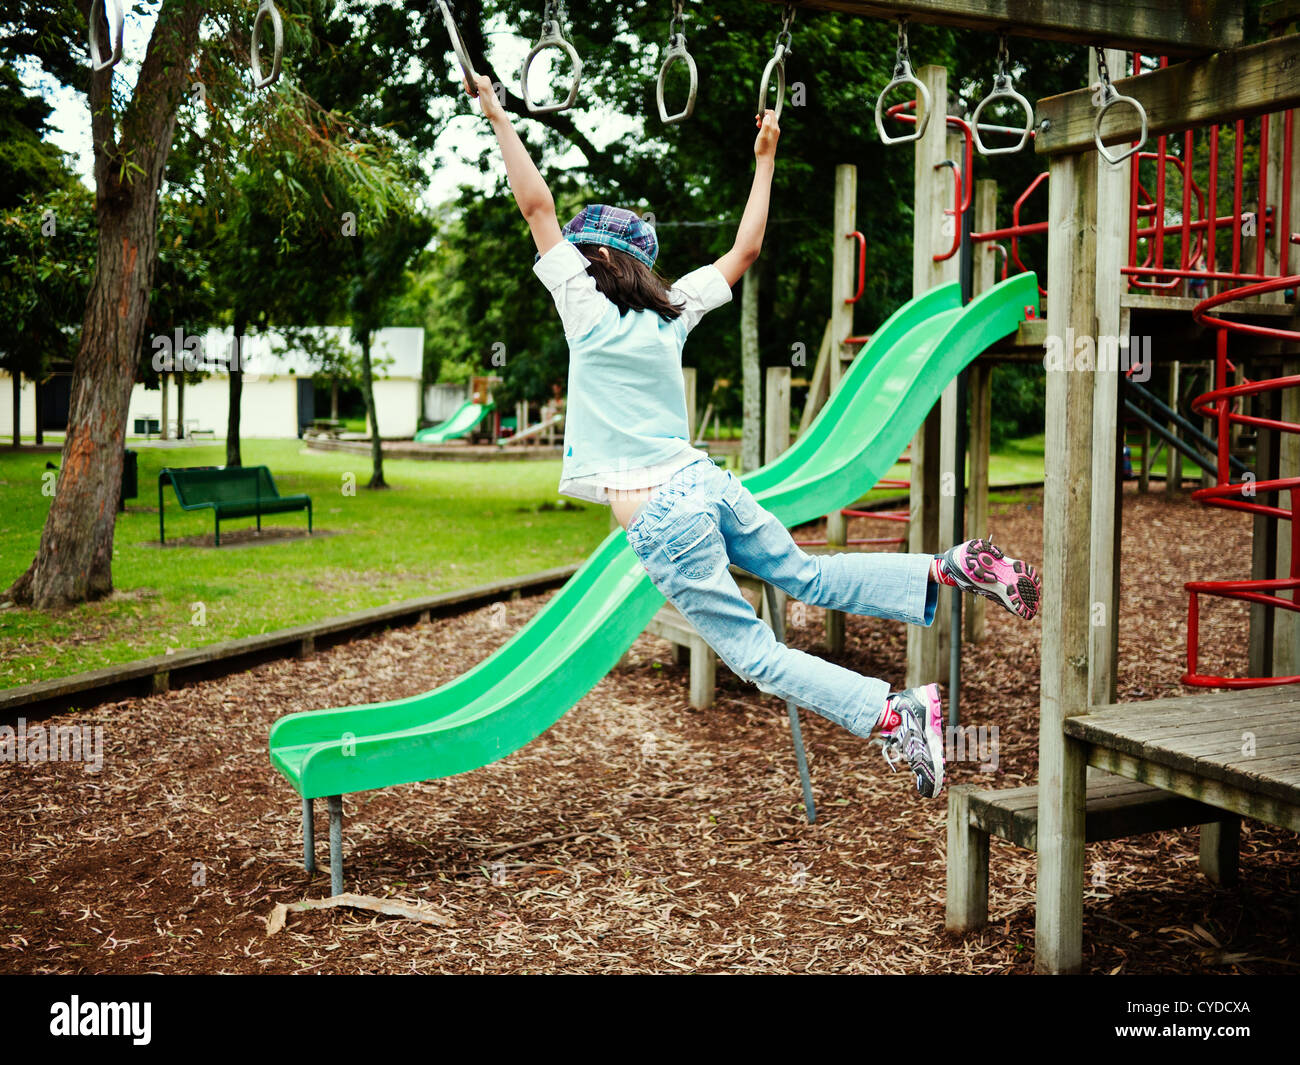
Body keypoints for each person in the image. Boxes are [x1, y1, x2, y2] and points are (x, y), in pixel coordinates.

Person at [470, 75, 1041, 798]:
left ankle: (894, 715)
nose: (574, 260)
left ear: (597, 259)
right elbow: (745, 249)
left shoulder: (582, 304)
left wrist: (496, 112)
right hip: (707, 484)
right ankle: (949, 566)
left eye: (581, 252)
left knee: (758, 656)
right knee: (807, 575)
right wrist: (764, 156)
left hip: (663, 516)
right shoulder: (670, 309)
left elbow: (535, 203)